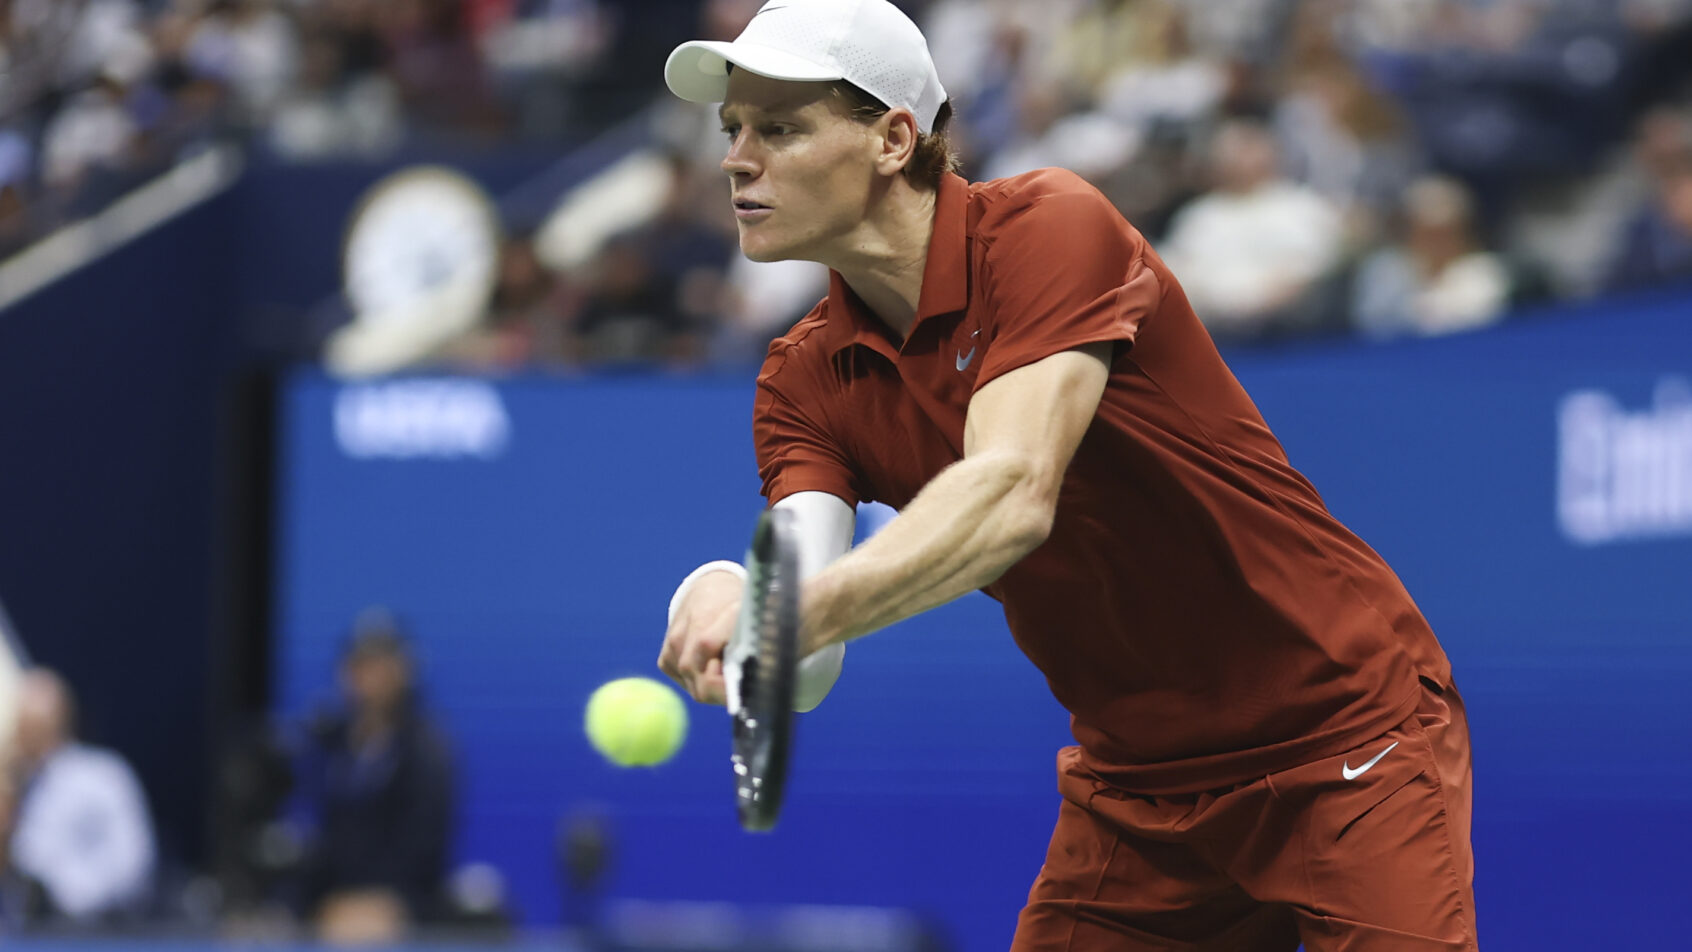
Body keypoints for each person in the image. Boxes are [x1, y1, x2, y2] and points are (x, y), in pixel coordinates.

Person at [655, 2, 1476, 950]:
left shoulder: (1052, 228)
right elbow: (808, 670)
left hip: (1343, 733)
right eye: (733, 130)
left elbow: (1009, 496)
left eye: (782, 128)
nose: (737, 158)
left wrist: (779, 616)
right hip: (1138, 792)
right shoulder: (802, 379)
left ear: (892, 138)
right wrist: (739, 592)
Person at [292, 610, 455, 943]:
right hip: (330, 905)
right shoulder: (326, 744)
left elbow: (423, 849)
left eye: (378, 665)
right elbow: (318, 841)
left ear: (403, 671)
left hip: (403, 906)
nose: (366, 677)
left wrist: (381, 903)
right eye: (358, 665)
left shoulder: (427, 751)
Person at [0, 668, 156, 926]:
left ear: (53, 722)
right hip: (25, 932)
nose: (20, 732)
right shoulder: (17, 784)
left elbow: (134, 864)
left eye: (28, 723)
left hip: (94, 933)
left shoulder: (103, 777)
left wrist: (63, 898)